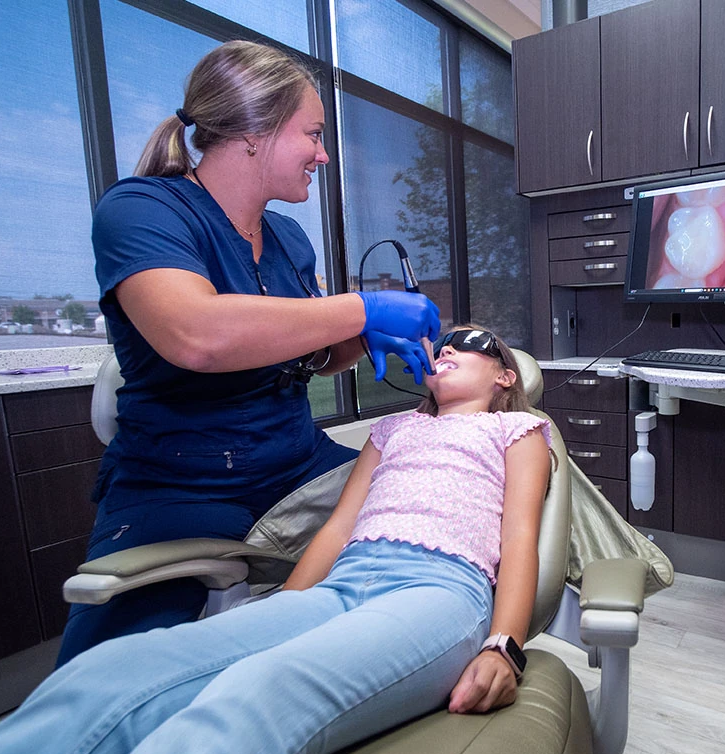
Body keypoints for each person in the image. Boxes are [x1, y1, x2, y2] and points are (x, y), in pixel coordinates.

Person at [0, 326, 551, 754]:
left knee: (259, 689)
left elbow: (520, 536)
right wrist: (292, 604)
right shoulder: (395, 429)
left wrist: (505, 645)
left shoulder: (518, 429)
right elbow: (340, 526)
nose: (448, 347)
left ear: (504, 376)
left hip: (439, 593)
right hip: (344, 583)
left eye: (472, 343)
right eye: (443, 341)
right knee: (125, 667)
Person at [57, 40, 440, 665]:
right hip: (179, 481)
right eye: (313, 134)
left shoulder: (288, 238)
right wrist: (361, 309)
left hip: (293, 461)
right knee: (103, 676)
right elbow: (196, 335)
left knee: (432, 528)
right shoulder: (141, 209)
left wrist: (354, 339)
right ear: (256, 131)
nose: (322, 154)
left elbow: (304, 355)